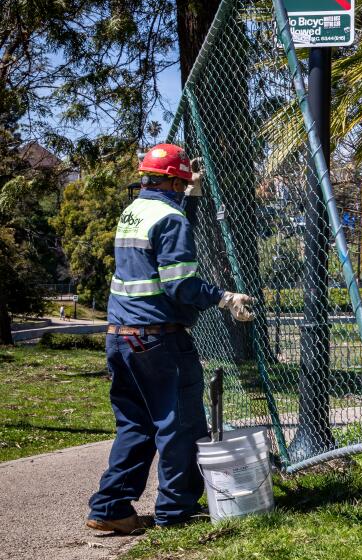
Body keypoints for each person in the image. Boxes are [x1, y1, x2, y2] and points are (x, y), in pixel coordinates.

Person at [86, 144, 254, 535]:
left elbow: (170, 235)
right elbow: (180, 284)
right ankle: (175, 511)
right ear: (175, 181)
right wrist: (224, 298)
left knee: (136, 426)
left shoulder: (134, 212)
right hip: (159, 339)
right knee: (180, 425)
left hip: (121, 337)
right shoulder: (171, 218)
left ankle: (111, 507)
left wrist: (191, 198)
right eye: (182, 184)